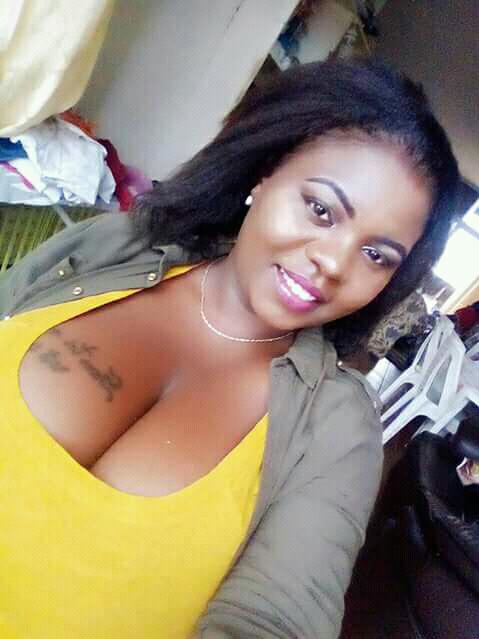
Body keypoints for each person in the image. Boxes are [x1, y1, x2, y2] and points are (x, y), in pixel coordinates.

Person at [0, 59, 459, 639]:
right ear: (265, 176)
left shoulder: (338, 427)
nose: (333, 262)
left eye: (376, 255)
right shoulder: (113, 247)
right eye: (321, 209)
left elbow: (277, 619)